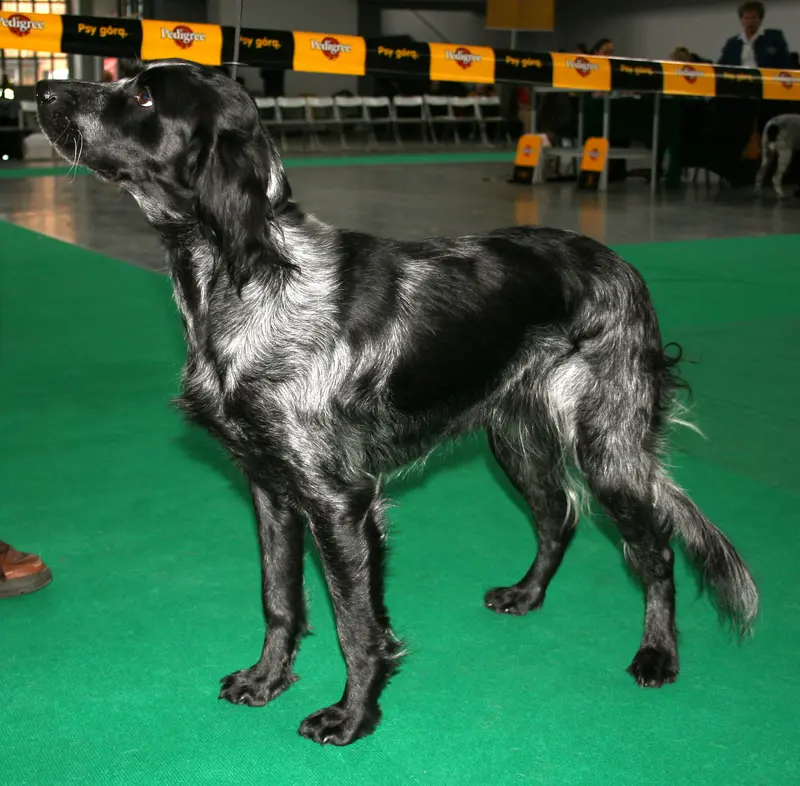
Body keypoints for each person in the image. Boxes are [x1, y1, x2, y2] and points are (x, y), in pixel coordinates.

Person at [719, 2, 791, 68]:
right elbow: (721, 65)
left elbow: (785, 62)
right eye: (746, 18)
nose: (750, 22)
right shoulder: (733, 43)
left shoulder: (774, 37)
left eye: (753, 18)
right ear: (741, 20)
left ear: (760, 19)